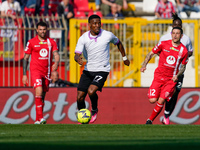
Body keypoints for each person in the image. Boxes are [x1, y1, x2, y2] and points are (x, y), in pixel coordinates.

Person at [74, 14, 130, 123]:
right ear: (89, 25)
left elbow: (118, 43)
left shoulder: (107, 35)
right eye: (94, 23)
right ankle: (83, 117)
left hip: (102, 69)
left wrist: (124, 57)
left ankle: (94, 109)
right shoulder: (83, 38)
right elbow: (77, 53)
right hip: (88, 70)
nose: (97, 25)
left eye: (99, 23)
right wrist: (77, 58)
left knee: (91, 91)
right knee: (80, 97)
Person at [140, 26, 189, 125]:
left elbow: (183, 67)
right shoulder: (163, 44)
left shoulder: (184, 50)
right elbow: (151, 53)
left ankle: (150, 120)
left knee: (162, 100)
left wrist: (178, 75)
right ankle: (164, 95)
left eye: (177, 33)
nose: (175, 35)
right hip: (159, 77)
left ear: (181, 36)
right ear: (171, 34)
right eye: (173, 33)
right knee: (152, 100)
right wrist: (144, 65)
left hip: (171, 80)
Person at [22, 21, 60, 124]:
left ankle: (38, 119)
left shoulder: (51, 42)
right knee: (38, 90)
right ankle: (41, 118)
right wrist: (24, 74)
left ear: (46, 30)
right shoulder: (31, 42)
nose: (42, 32)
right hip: (35, 71)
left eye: (44, 30)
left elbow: (56, 54)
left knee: (42, 96)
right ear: (37, 30)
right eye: (40, 30)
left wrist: (56, 62)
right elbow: (25, 58)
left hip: (46, 72)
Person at [159, 13, 193, 125]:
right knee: (165, 93)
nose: (176, 27)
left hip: (178, 72)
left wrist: (185, 57)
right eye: (175, 25)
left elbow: (190, 52)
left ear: (181, 27)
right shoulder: (164, 38)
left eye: (179, 25)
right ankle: (165, 113)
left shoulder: (186, 39)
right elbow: (159, 51)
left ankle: (166, 115)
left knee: (175, 93)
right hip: (165, 71)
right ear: (172, 26)